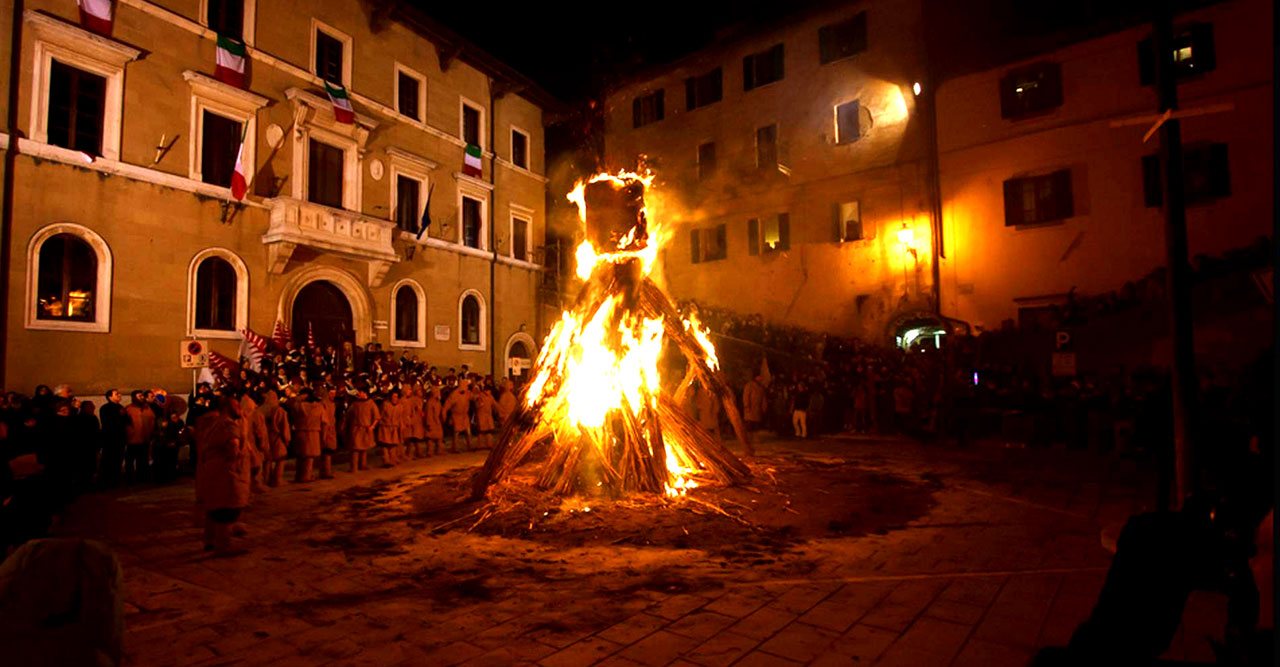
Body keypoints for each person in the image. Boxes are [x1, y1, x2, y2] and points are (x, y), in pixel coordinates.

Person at [194, 396, 251, 553]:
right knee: (226, 508)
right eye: (236, 405)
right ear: (227, 408)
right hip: (226, 473)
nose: (240, 408)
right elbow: (233, 449)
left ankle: (210, 540)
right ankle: (223, 545)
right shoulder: (229, 425)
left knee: (214, 507)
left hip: (213, 471)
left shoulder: (216, 423)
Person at [256, 389, 291, 487]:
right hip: (276, 436)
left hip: (264, 436)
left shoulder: (259, 410)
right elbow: (284, 426)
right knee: (280, 459)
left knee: (267, 459)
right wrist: (287, 439)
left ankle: (266, 480)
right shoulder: (279, 410)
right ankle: (277, 479)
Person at [289, 389, 325, 483]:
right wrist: (323, 436)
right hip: (314, 432)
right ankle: (306, 476)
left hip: (300, 431)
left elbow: (292, 404)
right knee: (309, 456)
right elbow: (324, 421)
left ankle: (299, 475)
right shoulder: (319, 407)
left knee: (301, 456)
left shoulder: (299, 406)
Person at [123, 390, 156, 484]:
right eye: (139, 396)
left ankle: (142, 478)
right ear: (134, 397)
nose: (141, 397)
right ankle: (129, 479)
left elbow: (152, 421)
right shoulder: (129, 409)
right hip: (132, 439)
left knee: (142, 460)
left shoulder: (147, 408)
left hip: (145, 439)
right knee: (130, 461)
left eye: (142, 396)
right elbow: (125, 423)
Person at [342, 388, 378, 472]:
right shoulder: (354, 404)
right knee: (355, 448)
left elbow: (376, 416)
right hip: (356, 429)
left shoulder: (371, 403)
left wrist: (372, 426)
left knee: (364, 448)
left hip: (366, 428)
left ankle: (363, 465)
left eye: (361, 392)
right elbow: (348, 416)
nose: (359, 393)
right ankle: (354, 467)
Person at [97, 390, 127, 488]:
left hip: (120, 439)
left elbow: (127, 421)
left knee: (118, 460)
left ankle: (115, 479)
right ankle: (105, 480)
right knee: (108, 460)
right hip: (110, 439)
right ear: (110, 397)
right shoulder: (105, 408)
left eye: (119, 393)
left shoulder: (121, 407)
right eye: (116, 394)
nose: (119, 395)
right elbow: (109, 423)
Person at [376, 390, 406, 467]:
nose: (394, 398)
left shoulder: (400, 406)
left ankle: (392, 459)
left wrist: (401, 425)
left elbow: (400, 417)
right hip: (385, 426)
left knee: (393, 444)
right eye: (393, 397)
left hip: (395, 427)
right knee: (385, 444)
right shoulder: (385, 405)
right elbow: (380, 415)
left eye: (396, 397)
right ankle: (386, 460)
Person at [443, 379, 473, 453]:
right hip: (456, 416)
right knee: (456, 432)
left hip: (464, 415)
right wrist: (444, 414)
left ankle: (470, 446)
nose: (467, 387)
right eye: (466, 386)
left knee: (468, 432)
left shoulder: (467, 393)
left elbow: (473, 397)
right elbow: (447, 405)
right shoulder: (454, 394)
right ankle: (455, 448)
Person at [402, 384, 425, 459]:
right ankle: (408, 454)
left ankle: (416, 453)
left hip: (413, 421)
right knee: (410, 438)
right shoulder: (411, 400)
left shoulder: (414, 399)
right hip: (410, 421)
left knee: (414, 438)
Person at [473, 381, 498, 449]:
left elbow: (495, 405)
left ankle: (489, 445)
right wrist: (479, 405)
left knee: (489, 431)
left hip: (488, 416)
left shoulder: (490, 397)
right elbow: (476, 405)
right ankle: (480, 445)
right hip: (481, 416)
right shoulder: (480, 396)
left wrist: (500, 411)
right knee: (481, 432)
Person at [423, 386, 444, 456]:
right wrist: (429, 423)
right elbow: (428, 414)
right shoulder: (430, 403)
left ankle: (439, 450)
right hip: (432, 422)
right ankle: (430, 451)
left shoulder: (438, 402)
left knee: (439, 437)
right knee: (430, 439)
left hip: (437, 421)